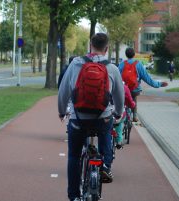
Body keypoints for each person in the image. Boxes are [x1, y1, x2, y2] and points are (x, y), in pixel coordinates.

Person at [58, 33, 124, 201]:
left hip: (78, 119)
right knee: (106, 132)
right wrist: (117, 113)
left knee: (74, 155)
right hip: (103, 118)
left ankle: (73, 196)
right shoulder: (113, 68)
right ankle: (105, 165)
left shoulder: (75, 64)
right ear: (107, 48)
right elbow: (119, 97)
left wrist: (61, 110)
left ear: (90, 45)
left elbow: (63, 91)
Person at [118, 47, 168, 122]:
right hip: (135, 89)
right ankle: (134, 116)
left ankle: (121, 115)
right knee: (134, 98)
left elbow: (116, 78)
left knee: (123, 98)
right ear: (134, 54)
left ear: (126, 55)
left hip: (124, 89)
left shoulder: (121, 64)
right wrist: (159, 84)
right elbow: (148, 79)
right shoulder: (138, 64)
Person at [114, 83, 135, 149]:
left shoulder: (105, 84)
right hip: (119, 113)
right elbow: (130, 101)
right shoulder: (124, 87)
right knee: (120, 123)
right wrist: (133, 105)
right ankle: (119, 141)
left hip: (106, 112)